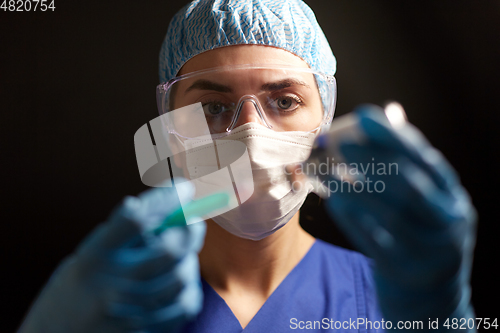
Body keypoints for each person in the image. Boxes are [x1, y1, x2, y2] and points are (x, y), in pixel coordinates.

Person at [18, 0, 477, 332]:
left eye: (284, 100)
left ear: (325, 119)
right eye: (215, 107)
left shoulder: (390, 298)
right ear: (168, 128)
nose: (251, 138)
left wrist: (441, 317)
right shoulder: (114, 301)